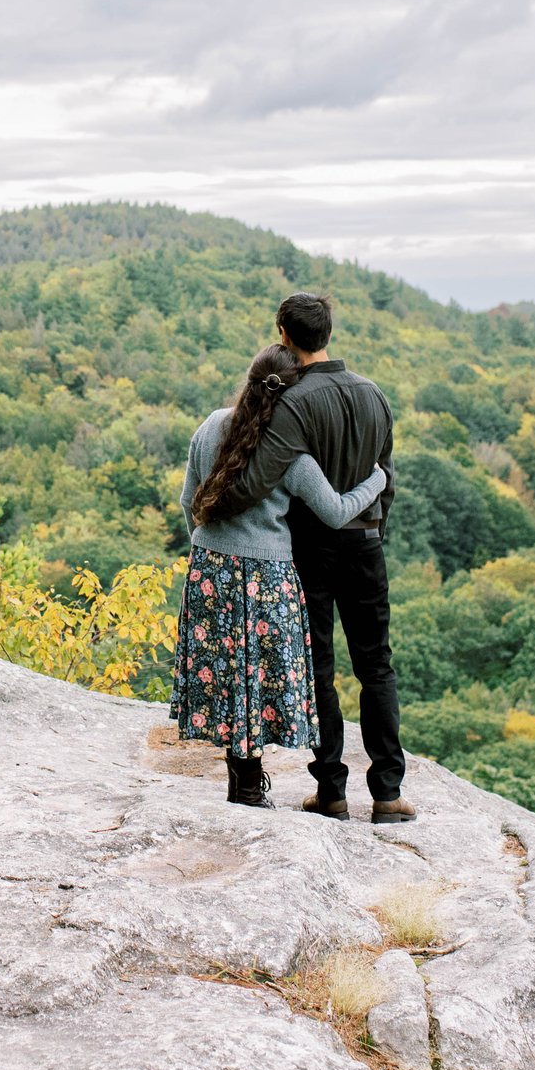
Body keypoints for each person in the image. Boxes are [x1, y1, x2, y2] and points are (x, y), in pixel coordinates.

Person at [221, 292, 411, 822]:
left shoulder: (294, 403)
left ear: (284, 333)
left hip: (313, 548)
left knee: (320, 669)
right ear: (327, 332)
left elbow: (257, 482)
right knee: (377, 665)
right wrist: (374, 531)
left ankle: (331, 792)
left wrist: (211, 505)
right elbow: (386, 478)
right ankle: (388, 794)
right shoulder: (375, 395)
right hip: (367, 543)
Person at [176, 344, 388, 808]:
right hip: (267, 573)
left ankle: (245, 782)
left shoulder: (211, 425)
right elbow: (334, 512)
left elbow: (188, 501)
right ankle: (249, 789)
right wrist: (376, 481)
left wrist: (211, 545)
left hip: (210, 568)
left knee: (229, 674)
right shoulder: (289, 451)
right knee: (258, 677)